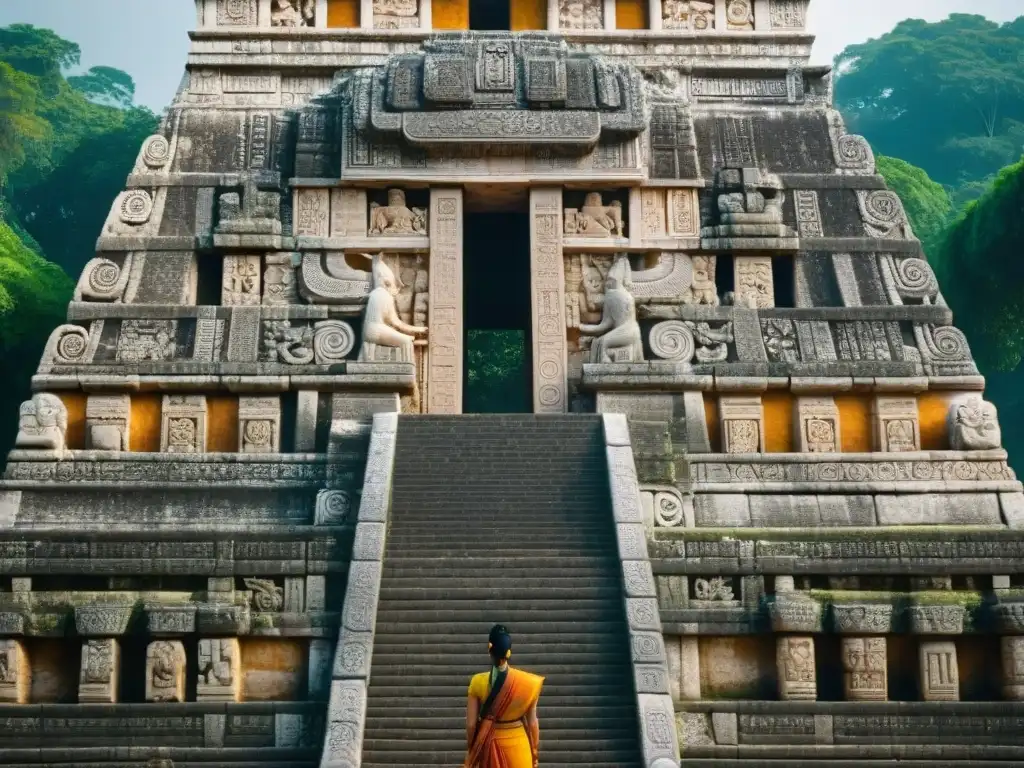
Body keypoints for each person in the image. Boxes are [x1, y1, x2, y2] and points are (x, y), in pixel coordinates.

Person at [464, 625, 544, 768]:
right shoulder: (528, 683)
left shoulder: (477, 682)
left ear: (490, 648)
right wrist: (534, 752)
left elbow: (471, 725)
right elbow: (532, 723)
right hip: (520, 748)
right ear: (509, 651)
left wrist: (473, 749)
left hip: (490, 745)